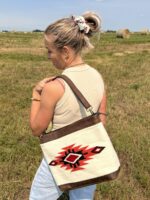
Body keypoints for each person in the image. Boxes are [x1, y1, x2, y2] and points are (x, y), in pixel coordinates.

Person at [29, 11, 106, 200]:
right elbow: (101, 120)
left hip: (60, 157)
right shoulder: (97, 77)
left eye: (49, 50)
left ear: (65, 52)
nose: (48, 56)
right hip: (88, 156)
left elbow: (37, 128)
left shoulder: (54, 87)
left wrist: (35, 94)